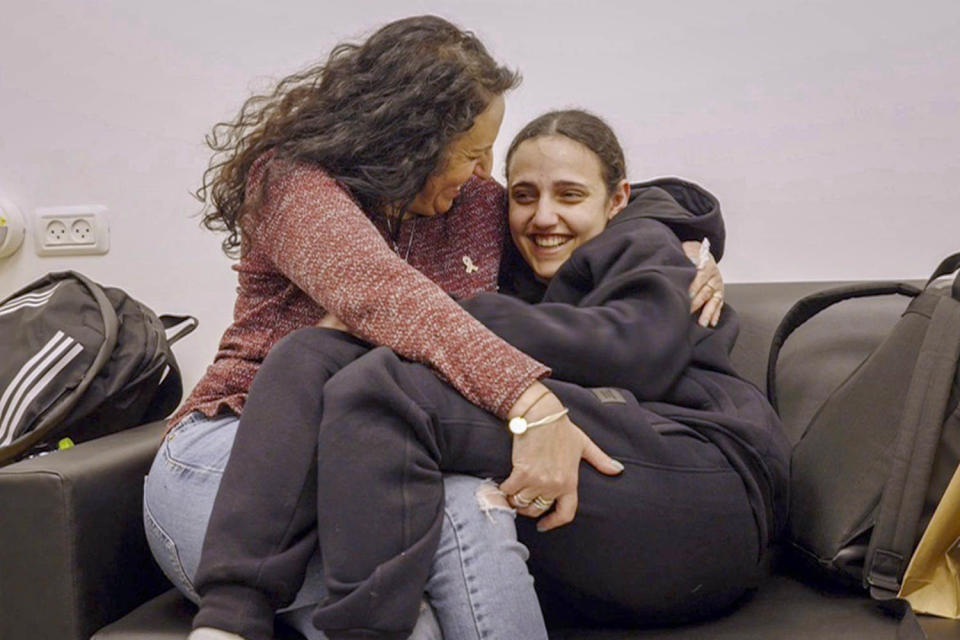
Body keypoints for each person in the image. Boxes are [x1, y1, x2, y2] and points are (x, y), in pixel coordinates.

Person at [141, 15, 725, 640]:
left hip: (376, 454)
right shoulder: (291, 182)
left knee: (471, 507)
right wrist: (531, 402)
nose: (484, 173)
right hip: (235, 453)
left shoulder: (472, 203)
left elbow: (574, 207)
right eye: (472, 152)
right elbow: (382, 294)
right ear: (410, 139)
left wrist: (672, 240)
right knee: (444, 536)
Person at [306, 110, 791, 638]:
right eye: (523, 195)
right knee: (343, 365)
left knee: (388, 389)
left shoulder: (644, 244)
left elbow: (636, 352)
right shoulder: (515, 261)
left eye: (569, 195)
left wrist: (442, 313)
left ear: (617, 199)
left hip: (704, 473)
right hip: (629, 493)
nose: (542, 216)